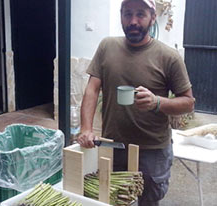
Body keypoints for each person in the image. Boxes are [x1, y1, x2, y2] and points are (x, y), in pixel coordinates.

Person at [77, 0, 195, 205]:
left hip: (153, 151)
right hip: (114, 146)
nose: (133, 21)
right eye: (127, 14)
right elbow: (92, 89)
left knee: (148, 201)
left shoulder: (169, 57)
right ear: (121, 16)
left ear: (152, 17)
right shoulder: (107, 46)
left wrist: (157, 102)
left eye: (140, 14)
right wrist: (86, 128)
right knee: (112, 199)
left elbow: (188, 102)